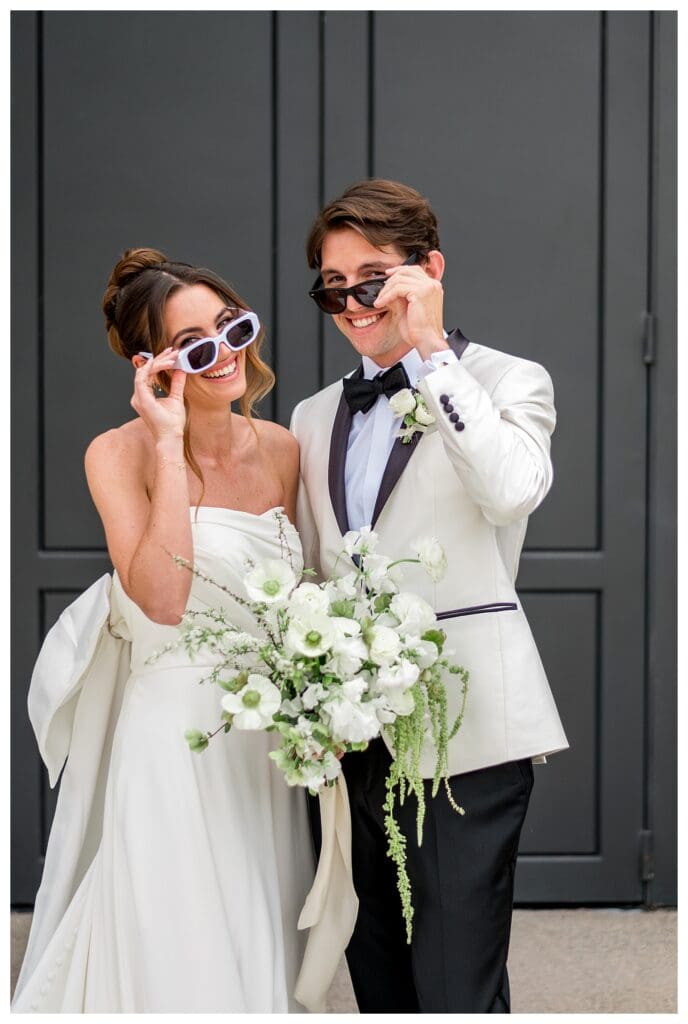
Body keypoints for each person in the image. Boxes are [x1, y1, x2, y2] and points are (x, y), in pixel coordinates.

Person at [291, 178, 569, 1013]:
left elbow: (511, 491)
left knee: (456, 985)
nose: (353, 304)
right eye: (333, 288)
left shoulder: (505, 380)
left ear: (428, 270)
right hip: (353, 737)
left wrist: (434, 354)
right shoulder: (311, 416)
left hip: (467, 732)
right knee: (379, 982)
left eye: (371, 279)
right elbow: (313, 573)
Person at [12, 248, 315, 1012]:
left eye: (232, 327)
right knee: (182, 953)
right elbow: (162, 597)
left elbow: (300, 598)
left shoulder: (283, 448)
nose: (226, 354)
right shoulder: (117, 454)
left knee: (259, 940)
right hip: (173, 740)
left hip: (262, 745)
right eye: (194, 347)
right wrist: (167, 445)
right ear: (152, 367)